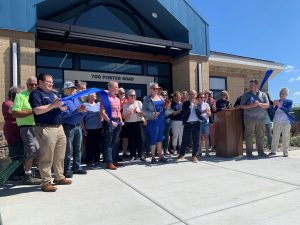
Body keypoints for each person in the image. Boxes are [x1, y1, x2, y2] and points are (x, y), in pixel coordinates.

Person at [29, 73, 72, 192]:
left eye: (52, 82)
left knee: (60, 156)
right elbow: (37, 111)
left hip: (59, 128)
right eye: (48, 82)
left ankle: (59, 177)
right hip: (45, 129)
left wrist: (64, 106)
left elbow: (62, 108)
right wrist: (54, 104)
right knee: (46, 157)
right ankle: (46, 182)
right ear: (40, 82)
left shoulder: (54, 93)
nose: (51, 84)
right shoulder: (36, 94)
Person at [12, 77, 41, 185]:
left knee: (40, 151)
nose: (33, 86)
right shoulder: (20, 96)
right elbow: (14, 113)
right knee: (31, 151)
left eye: (35, 84)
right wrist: (32, 111)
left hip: (39, 127)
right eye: (31, 84)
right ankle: (27, 176)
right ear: (27, 84)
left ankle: (38, 173)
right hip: (27, 127)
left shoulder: (39, 95)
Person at [61, 81, 87, 178]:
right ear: (65, 90)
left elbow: (82, 114)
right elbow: (63, 115)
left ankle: (77, 167)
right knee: (68, 150)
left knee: (78, 148)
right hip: (68, 127)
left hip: (78, 126)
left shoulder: (77, 99)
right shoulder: (63, 100)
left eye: (73, 88)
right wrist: (77, 110)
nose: (73, 90)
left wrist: (84, 111)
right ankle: (67, 169)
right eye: (71, 88)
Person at [240, 80, 269, 158]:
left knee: (260, 135)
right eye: (250, 85)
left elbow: (267, 105)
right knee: (249, 136)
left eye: (252, 85)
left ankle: (261, 152)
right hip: (249, 119)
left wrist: (259, 104)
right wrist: (252, 105)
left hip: (261, 119)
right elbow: (242, 106)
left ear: (257, 86)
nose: (250, 87)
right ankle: (249, 153)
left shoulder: (263, 95)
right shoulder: (246, 95)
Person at [143, 83, 168, 164]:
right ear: (150, 89)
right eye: (154, 88)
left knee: (160, 139)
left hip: (161, 121)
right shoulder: (147, 98)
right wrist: (152, 113)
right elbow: (144, 111)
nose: (156, 90)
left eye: (157, 88)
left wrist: (166, 106)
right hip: (152, 121)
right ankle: (153, 157)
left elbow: (164, 108)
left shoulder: (160, 97)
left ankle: (161, 156)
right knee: (153, 139)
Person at [101, 81, 123, 170]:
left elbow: (118, 112)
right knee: (109, 142)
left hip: (118, 121)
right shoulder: (106, 98)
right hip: (110, 122)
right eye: (116, 87)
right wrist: (110, 121)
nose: (118, 88)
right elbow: (102, 112)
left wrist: (121, 120)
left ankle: (114, 160)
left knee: (116, 142)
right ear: (110, 88)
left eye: (118, 87)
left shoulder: (117, 99)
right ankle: (109, 162)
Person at [177, 90, 203, 163]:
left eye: (194, 94)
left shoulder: (198, 103)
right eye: (191, 94)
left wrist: (195, 107)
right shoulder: (185, 103)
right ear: (189, 95)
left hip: (196, 123)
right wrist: (189, 108)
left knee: (196, 140)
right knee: (184, 140)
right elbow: (182, 114)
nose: (192, 95)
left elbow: (200, 113)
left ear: (196, 95)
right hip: (187, 124)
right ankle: (181, 154)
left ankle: (194, 156)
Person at [269, 88, 295, 157]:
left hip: (286, 122)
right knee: (275, 137)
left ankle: (285, 152)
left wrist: (279, 106)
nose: (281, 94)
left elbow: (287, 110)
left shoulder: (289, 101)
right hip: (276, 121)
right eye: (280, 93)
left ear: (286, 94)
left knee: (285, 137)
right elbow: (272, 111)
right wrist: (274, 106)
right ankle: (273, 151)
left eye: (282, 93)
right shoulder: (276, 101)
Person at [123, 89, 145, 161]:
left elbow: (143, 114)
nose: (133, 97)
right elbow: (124, 117)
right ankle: (132, 155)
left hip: (139, 123)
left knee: (141, 139)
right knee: (131, 140)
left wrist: (137, 112)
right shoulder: (126, 104)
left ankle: (141, 155)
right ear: (128, 96)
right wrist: (129, 113)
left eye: (134, 95)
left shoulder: (139, 102)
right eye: (131, 95)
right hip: (130, 124)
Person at [82, 93, 103, 167]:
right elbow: (82, 118)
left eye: (95, 95)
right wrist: (83, 129)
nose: (94, 96)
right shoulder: (84, 105)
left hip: (98, 128)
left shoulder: (99, 104)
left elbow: (102, 114)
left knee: (97, 146)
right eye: (92, 95)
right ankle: (89, 161)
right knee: (89, 146)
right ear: (88, 96)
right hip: (88, 129)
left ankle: (97, 160)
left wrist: (102, 119)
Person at [118, 88, 129, 159]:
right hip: (117, 121)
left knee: (125, 138)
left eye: (124, 93)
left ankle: (124, 153)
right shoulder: (115, 100)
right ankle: (116, 154)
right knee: (117, 139)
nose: (122, 94)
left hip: (126, 121)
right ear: (118, 94)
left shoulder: (127, 100)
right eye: (121, 93)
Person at [161, 90, 172, 156]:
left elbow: (170, 112)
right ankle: (161, 149)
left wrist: (167, 107)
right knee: (161, 135)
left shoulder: (169, 102)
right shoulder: (159, 102)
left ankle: (166, 149)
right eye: (163, 95)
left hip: (167, 120)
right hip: (160, 121)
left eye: (165, 95)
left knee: (167, 135)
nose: (164, 96)